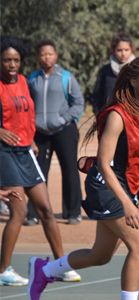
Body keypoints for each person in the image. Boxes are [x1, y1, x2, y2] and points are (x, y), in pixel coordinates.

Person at [28, 57, 139, 300]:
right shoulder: (118, 115)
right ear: (133, 81)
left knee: (100, 256)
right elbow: (103, 166)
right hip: (106, 185)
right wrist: (127, 204)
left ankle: (43, 271)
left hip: (129, 186)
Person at [0, 36, 80, 286]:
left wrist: (31, 138)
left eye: (16, 60)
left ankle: (60, 265)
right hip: (5, 153)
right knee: (19, 211)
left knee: (45, 208)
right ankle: (4, 270)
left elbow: (28, 113)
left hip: (26, 151)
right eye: (6, 60)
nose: (12, 65)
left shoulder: (24, 81)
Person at [25, 39, 85, 226]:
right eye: (43, 54)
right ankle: (34, 213)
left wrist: (63, 119)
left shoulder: (66, 77)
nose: (46, 57)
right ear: (38, 57)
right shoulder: (32, 79)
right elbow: (26, 105)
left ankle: (73, 212)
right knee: (38, 172)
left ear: (56, 55)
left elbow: (78, 103)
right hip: (39, 133)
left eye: (50, 53)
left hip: (64, 130)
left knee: (69, 169)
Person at [90, 33, 136, 115]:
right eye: (119, 50)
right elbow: (97, 96)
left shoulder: (138, 70)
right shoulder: (105, 71)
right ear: (113, 51)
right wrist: (99, 114)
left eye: (126, 50)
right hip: (108, 118)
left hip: (132, 119)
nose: (123, 54)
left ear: (131, 50)